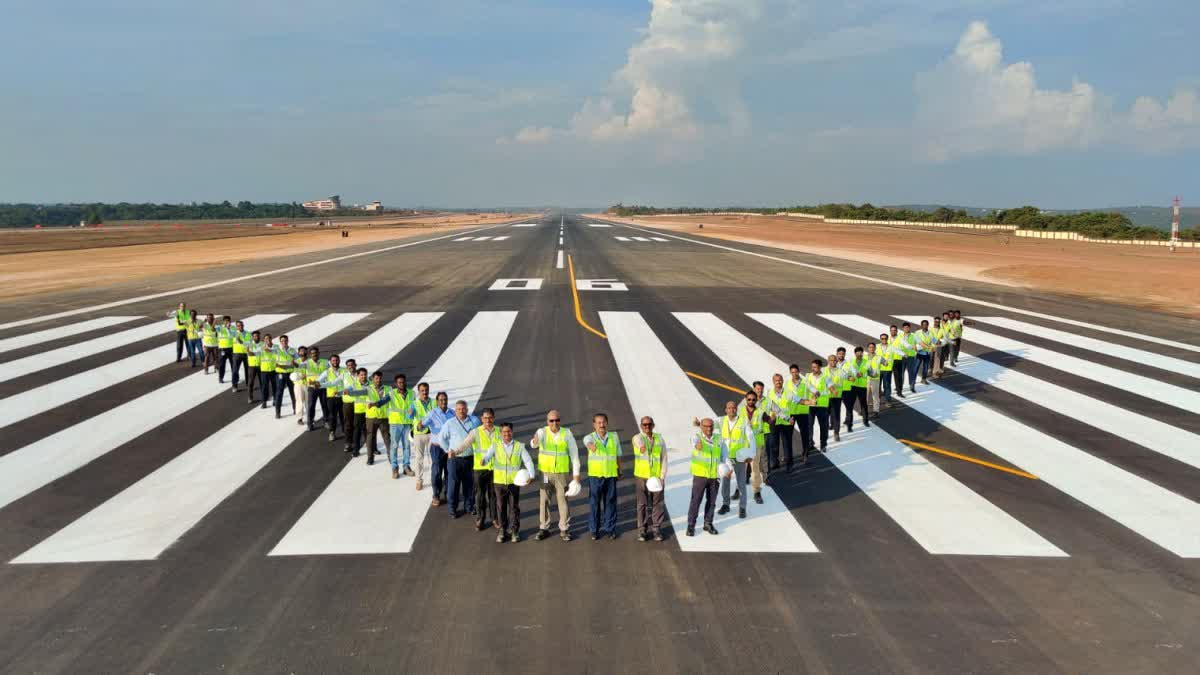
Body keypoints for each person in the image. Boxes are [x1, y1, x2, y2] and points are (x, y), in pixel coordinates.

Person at [478, 422, 535, 543]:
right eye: (504, 432)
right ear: (501, 433)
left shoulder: (519, 446)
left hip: (514, 483)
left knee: (514, 508)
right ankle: (502, 530)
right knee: (501, 507)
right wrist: (484, 460)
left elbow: (528, 461)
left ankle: (514, 531)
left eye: (508, 431)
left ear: (512, 432)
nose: (506, 434)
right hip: (499, 483)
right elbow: (488, 455)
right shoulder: (496, 445)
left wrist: (532, 474)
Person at [529, 409, 580, 542]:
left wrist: (576, 477)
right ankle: (543, 528)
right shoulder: (542, 432)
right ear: (547, 421)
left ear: (560, 421)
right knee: (544, 501)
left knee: (563, 501)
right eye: (551, 420)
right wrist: (534, 441)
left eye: (557, 420)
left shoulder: (566, 433)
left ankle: (564, 529)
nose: (554, 423)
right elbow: (534, 443)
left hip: (561, 475)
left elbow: (574, 455)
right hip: (545, 473)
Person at [453, 408, 500, 530]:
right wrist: (455, 452)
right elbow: (465, 444)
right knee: (480, 496)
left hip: (495, 469)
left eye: (490, 417)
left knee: (493, 495)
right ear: (481, 419)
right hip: (480, 469)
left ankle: (494, 518)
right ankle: (480, 519)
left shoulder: (499, 431)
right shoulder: (476, 432)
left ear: (493, 418)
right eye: (485, 418)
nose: (488, 420)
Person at [437, 400, 479, 519]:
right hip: (454, 459)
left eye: (463, 409)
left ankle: (469, 506)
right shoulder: (449, 423)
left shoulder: (475, 421)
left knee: (469, 484)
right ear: (455, 411)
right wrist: (447, 450)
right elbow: (441, 438)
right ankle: (452, 508)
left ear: (467, 409)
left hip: (470, 458)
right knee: (453, 484)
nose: (461, 411)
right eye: (459, 409)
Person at [582, 413, 621, 541]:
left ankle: (610, 528)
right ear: (594, 425)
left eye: (603, 422)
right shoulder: (590, 437)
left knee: (610, 503)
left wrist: (619, 470)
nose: (601, 425)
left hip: (610, 475)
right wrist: (590, 446)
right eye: (598, 423)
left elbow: (618, 454)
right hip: (595, 476)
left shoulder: (614, 437)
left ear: (607, 423)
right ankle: (594, 530)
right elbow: (586, 441)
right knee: (594, 503)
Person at [715, 401, 755, 519]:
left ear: (736, 410)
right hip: (726, 457)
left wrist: (751, 455)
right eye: (729, 408)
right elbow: (709, 424)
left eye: (734, 408)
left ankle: (742, 508)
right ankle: (726, 504)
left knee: (741, 483)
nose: (732, 410)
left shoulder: (743, 421)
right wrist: (698, 423)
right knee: (725, 482)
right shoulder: (721, 421)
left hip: (739, 458)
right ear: (725, 410)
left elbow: (750, 437)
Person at [687, 418, 727, 537]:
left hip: (714, 476)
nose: (709, 429)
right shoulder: (697, 437)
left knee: (712, 502)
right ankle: (691, 525)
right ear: (701, 427)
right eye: (706, 426)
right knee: (696, 501)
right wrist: (696, 444)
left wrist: (727, 469)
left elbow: (724, 455)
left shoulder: (719, 439)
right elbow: (693, 441)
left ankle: (708, 523)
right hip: (700, 476)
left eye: (711, 426)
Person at [632, 416, 667, 542]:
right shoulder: (638, 438)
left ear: (653, 425)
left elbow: (664, 458)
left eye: (649, 424)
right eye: (644, 425)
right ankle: (642, 529)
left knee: (658, 503)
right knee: (642, 504)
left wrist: (662, 477)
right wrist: (642, 447)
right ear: (641, 426)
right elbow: (638, 442)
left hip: (656, 477)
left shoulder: (660, 439)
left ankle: (656, 528)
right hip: (642, 477)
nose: (647, 426)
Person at [417, 392, 452, 505]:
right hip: (437, 448)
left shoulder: (452, 413)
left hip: (450, 448)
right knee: (436, 472)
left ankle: (448, 494)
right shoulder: (432, 413)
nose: (443, 402)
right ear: (437, 401)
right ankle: (436, 495)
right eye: (441, 400)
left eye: (445, 399)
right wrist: (420, 426)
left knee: (449, 472)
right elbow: (423, 425)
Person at [385, 374, 415, 478]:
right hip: (395, 424)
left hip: (407, 423)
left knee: (407, 446)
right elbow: (383, 401)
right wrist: (375, 404)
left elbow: (414, 406)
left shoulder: (412, 393)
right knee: (394, 446)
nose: (401, 384)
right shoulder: (391, 393)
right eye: (399, 382)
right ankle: (394, 468)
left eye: (403, 382)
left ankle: (406, 467)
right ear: (396, 384)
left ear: (406, 382)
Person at [764, 374, 793, 472]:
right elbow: (767, 406)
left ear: (783, 381)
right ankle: (775, 462)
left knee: (787, 444)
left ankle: (789, 464)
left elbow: (797, 400)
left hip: (786, 422)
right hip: (774, 422)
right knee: (774, 444)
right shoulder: (769, 392)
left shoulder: (788, 392)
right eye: (776, 380)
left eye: (780, 380)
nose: (778, 382)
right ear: (773, 381)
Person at [742, 390, 768, 503]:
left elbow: (769, 420)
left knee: (755, 469)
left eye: (753, 399)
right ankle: (739, 489)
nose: (751, 401)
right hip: (743, 444)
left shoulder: (761, 412)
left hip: (756, 445)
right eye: (749, 399)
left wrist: (773, 419)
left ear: (756, 400)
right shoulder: (740, 411)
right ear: (745, 400)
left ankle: (757, 492)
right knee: (741, 469)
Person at [362, 371, 392, 466]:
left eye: (379, 378)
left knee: (387, 438)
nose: (378, 380)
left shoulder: (388, 388)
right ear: (372, 379)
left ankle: (391, 457)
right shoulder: (367, 389)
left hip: (383, 417)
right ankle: (370, 458)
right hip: (371, 417)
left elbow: (388, 398)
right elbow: (357, 392)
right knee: (370, 438)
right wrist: (348, 392)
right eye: (376, 378)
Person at [408, 383, 434, 492]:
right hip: (419, 434)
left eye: (426, 390)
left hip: (432, 433)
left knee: (433, 458)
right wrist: (409, 413)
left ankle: (434, 478)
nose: (424, 392)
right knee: (419, 458)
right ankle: (419, 480)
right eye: (422, 391)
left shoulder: (434, 402)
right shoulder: (414, 403)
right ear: (418, 392)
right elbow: (409, 416)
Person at [787, 363, 813, 460]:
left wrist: (815, 394)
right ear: (790, 373)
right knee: (788, 435)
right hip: (791, 412)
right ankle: (789, 456)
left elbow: (813, 390)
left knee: (804, 434)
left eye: (796, 372)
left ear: (799, 371)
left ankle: (805, 454)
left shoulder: (805, 382)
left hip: (803, 412)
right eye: (792, 372)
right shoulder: (787, 384)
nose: (794, 374)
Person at [341, 367, 370, 455]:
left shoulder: (371, 384)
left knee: (369, 430)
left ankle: (372, 447)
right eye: (361, 375)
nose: (363, 376)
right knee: (357, 431)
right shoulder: (354, 385)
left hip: (369, 411)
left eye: (365, 375)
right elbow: (346, 390)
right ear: (358, 376)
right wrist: (341, 392)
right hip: (359, 411)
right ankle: (356, 449)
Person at [316, 354, 344, 441]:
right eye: (333, 361)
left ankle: (345, 431)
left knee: (344, 415)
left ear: (339, 361)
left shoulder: (344, 370)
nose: (335, 362)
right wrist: (316, 384)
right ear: (330, 362)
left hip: (343, 396)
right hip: (331, 397)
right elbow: (318, 381)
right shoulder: (327, 372)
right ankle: (332, 432)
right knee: (333, 416)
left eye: (336, 360)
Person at [805, 359, 831, 453]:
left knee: (823, 426)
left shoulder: (826, 377)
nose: (813, 368)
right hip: (811, 405)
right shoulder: (808, 376)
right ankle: (810, 443)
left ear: (820, 367)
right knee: (809, 425)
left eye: (815, 367)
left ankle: (823, 444)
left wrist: (832, 391)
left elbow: (830, 387)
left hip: (822, 406)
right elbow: (806, 387)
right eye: (812, 367)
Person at [844, 346, 871, 431]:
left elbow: (871, 373)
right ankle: (849, 424)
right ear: (855, 353)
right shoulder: (850, 362)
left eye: (861, 352)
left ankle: (866, 420)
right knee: (850, 406)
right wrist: (850, 377)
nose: (859, 353)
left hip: (862, 386)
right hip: (852, 386)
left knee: (863, 404)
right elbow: (845, 373)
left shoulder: (867, 362)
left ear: (862, 353)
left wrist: (863, 375)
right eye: (857, 352)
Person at [301, 346, 328, 430]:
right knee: (311, 406)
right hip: (312, 388)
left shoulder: (325, 362)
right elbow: (300, 371)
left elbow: (329, 373)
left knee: (325, 405)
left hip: (322, 387)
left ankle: (326, 421)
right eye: (312, 353)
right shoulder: (306, 363)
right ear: (310, 355)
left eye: (316, 353)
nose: (314, 354)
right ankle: (310, 424)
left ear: (319, 353)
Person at [337, 359, 361, 453]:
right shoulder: (344, 375)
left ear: (355, 365)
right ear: (346, 367)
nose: (350, 367)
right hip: (348, 403)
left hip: (359, 403)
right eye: (348, 365)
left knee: (359, 424)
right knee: (348, 424)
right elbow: (333, 383)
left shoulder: (361, 375)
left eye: (352, 365)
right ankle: (348, 443)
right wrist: (320, 384)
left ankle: (361, 443)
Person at [273, 334, 298, 419]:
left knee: (293, 392)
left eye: (285, 341)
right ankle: (278, 412)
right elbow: (274, 361)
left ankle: (295, 409)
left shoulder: (292, 350)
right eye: (282, 341)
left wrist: (294, 364)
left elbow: (297, 361)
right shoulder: (276, 350)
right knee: (279, 393)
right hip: (280, 374)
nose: (284, 342)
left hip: (290, 374)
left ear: (288, 341)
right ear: (280, 342)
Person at [826, 352, 844, 442]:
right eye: (831, 360)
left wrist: (850, 377)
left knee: (836, 415)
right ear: (828, 361)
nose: (833, 362)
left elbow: (846, 376)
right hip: (826, 397)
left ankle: (836, 433)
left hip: (837, 396)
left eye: (834, 360)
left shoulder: (840, 371)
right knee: (825, 415)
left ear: (837, 361)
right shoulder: (823, 370)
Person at [256, 334, 277, 408]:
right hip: (264, 370)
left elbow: (275, 353)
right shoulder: (261, 347)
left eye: (268, 338)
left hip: (274, 370)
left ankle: (275, 399)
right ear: (264, 340)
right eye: (265, 339)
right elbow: (256, 354)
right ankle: (264, 401)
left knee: (275, 386)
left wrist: (268, 350)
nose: (267, 340)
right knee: (264, 386)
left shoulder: (276, 347)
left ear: (271, 339)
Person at [898, 322, 919, 392]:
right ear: (903, 328)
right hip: (902, 356)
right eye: (905, 328)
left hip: (911, 356)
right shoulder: (900, 336)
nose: (906, 329)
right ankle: (899, 386)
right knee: (901, 372)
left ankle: (912, 386)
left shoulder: (914, 335)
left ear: (909, 328)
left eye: (907, 327)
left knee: (911, 372)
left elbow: (919, 343)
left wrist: (916, 348)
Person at [229, 319, 249, 393]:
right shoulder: (233, 333)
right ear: (236, 327)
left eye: (241, 325)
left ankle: (248, 384)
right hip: (236, 354)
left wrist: (241, 342)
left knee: (247, 370)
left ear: (243, 326)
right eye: (238, 326)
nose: (240, 327)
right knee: (235, 371)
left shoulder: (247, 333)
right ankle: (234, 385)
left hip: (246, 354)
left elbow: (248, 344)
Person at [243, 329, 263, 402]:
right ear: (252, 337)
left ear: (259, 336)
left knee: (262, 383)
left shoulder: (263, 344)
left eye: (257, 336)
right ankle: (250, 397)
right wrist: (257, 353)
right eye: (254, 336)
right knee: (250, 382)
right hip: (252, 366)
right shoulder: (249, 344)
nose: (256, 337)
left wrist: (254, 353)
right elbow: (249, 353)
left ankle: (263, 396)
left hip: (261, 365)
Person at [216, 316, 235, 387]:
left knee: (233, 364)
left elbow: (233, 335)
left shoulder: (233, 328)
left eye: (228, 321)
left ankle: (234, 377)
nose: (227, 322)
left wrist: (228, 328)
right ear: (223, 321)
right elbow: (215, 329)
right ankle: (221, 378)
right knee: (222, 365)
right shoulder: (220, 327)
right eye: (226, 321)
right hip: (222, 349)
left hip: (231, 348)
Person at [888, 324, 907, 398]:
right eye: (891, 330)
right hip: (888, 361)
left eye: (894, 330)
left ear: (897, 331)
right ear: (890, 331)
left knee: (898, 377)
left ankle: (899, 392)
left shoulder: (900, 339)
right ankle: (886, 391)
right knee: (886, 377)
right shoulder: (887, 339)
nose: (893, 331)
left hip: (897, 360)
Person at [293, 346, 311, 425]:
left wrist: (306, 376)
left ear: (307, 352)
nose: (302, 352)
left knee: (308, 402)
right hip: (298, 384)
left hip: (308, 384)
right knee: (299, 401)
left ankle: (310, 417)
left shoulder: (310, 362)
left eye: (304, 351)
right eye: (301, 351)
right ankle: (299, 418)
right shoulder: (296, 361)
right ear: (299, 352)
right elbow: (295, 372)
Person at [915, 319, 935, 385]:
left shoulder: (931, 333)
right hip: (919, 353)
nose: (924, 326)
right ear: (921, 325)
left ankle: (923, 379)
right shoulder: (917, 332)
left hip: (927, 353)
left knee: (925, 367)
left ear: (928, 325)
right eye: (923, 325)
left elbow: (934, 341)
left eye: (926, 325)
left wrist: (933, 347)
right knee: (916, 366)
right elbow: (917, 342)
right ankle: (913, 379)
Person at [876, 334, 894, 405]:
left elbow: (898, 351)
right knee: (877, 386)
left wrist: (904, 354)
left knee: (887, 385)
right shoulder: (876, 346)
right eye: (882, 338)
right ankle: (877, 400)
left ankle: (888, 401)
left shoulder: (891, 347)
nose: (884, 340)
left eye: (885, 338)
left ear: (887, 339)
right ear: (880, 339)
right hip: (878, 369)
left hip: (887, 369)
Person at [866, 342, 883, 416]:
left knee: (875, 395)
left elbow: (885, 363)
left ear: (875, 348)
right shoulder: (864, 357)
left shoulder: (879, 357)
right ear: (868, 348)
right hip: (866, 379)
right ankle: (864, 410)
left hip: (875, 379)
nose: (871, 348)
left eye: (873, 347)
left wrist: (886, 362)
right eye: (870, 347)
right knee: (864, 395)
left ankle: (876, 411)